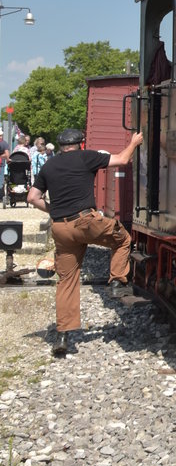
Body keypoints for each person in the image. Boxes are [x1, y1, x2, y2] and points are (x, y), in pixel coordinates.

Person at [27, 126, 144, 356]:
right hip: (86, 221)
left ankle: (62, 336)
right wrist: (135, 142)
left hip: (61, 227)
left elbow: (32, 197)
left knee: (67, 280)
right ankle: (117, 282)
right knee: (122, 239)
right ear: (80, 144)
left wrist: (53, 210)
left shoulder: (49, 165)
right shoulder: (87, 156)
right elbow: (121, 159)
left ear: (61, 147)